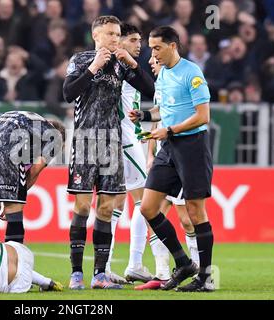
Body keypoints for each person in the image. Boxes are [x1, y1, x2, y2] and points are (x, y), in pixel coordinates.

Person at [63, 15, 154, 290]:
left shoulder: (120, 63)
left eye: (117, 34)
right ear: (97, 36)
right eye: (110, 34)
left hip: (113, 143)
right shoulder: (80, 59)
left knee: (106, 207)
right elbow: (68, 93)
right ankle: (76, 273)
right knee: (82, 207)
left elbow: (150, 89)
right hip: (86, 141)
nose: (115, 39)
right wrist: (92, 68)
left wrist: (133, 64)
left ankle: (100, 275)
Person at [129, 26, 214, 292]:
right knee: (148, 208)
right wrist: (144, 117)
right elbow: (162, 111)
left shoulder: (192, 73)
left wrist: (170, 130)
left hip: (192, 146)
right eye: (151, 48)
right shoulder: (163, 75)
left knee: (194, 212)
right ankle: (184, 263)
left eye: (157, 48)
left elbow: (203, 116)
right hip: (168, 146)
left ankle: (205, 278)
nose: (152, 54)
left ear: (173, 46)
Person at [105, 23, 153, 285]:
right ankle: (135, 263)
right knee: (146, 201)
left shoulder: (127, 67)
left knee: (116, 204)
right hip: (125, 138)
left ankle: (106, 266)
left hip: (129, 136)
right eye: (133, 40)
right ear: (119, 41)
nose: (139, 45)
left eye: (140, 40)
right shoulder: (116, 67)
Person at [0, 111, 66, 245]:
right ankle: (14, 262)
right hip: (7, 148)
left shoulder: (32, 122)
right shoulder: (55, 136)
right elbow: (35, 170)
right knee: (14, 208)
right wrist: (14, 197)